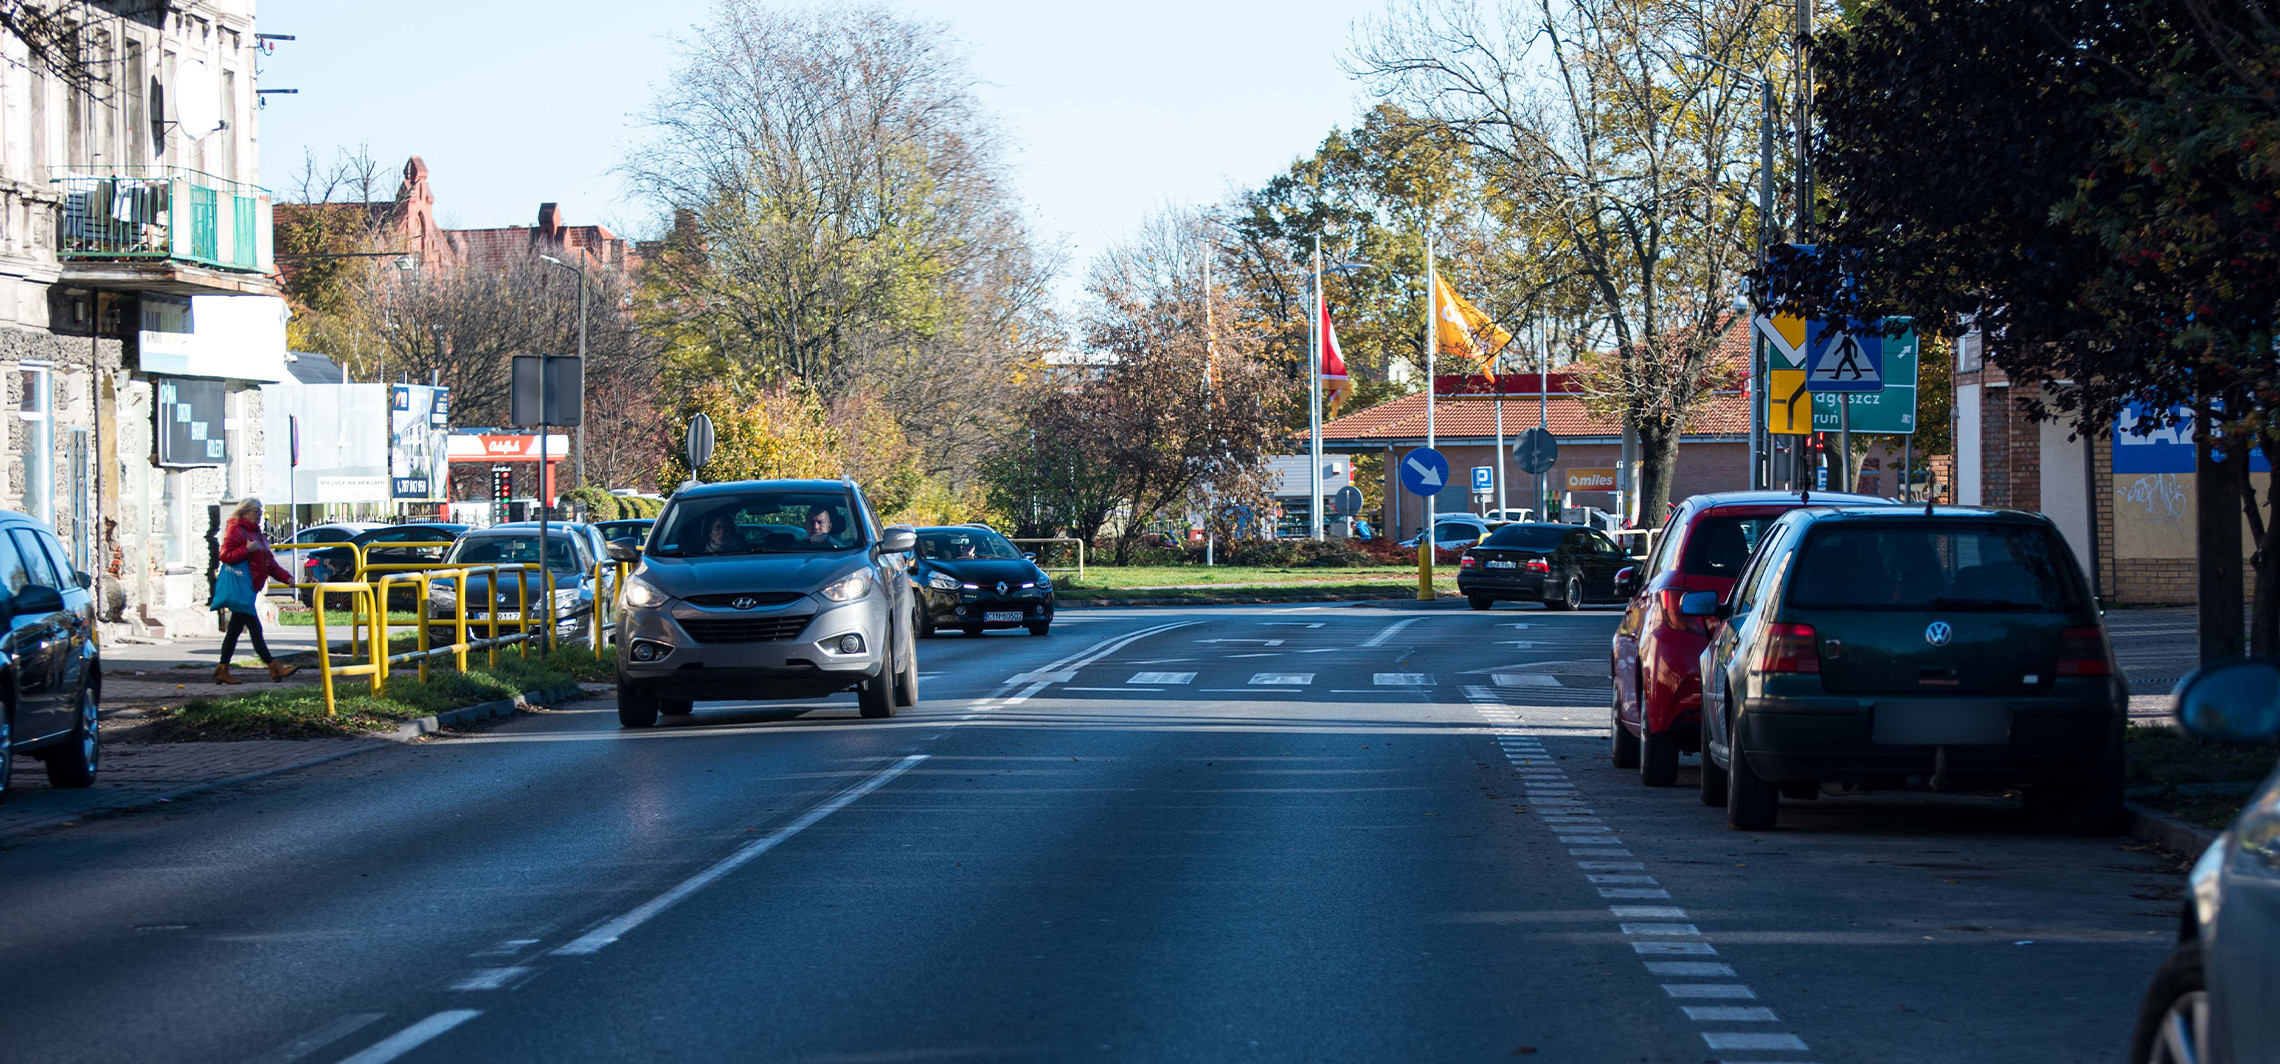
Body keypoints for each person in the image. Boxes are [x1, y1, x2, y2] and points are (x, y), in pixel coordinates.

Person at [215, 498, 299, 685]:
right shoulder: (236, 530)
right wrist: (245, 549)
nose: (259, 514)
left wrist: (286, 578)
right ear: (244, 512)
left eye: (260, 511)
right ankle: (274, 666)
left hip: (250, 589)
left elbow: (269, 563)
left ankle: (222, 669)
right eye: (255, 511)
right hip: (241, 589)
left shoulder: (258, 534)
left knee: (234, 631)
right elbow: (225, 555)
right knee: (255, 629)